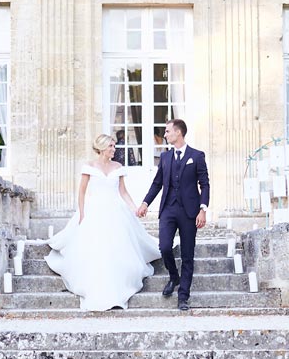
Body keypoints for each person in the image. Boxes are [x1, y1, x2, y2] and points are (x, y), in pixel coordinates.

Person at [46, 134, 161, 311]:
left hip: (116, 210)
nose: (114, 149)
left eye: (114, 146)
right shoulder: (89, 167)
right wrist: (83, 214)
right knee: (97, 248)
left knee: (116, 247)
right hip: (95, 210)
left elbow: (123, 192)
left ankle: (118, 285)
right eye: (111, 147)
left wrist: (135, 208)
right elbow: (82, 193)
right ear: (101, 148)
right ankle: (97, 287)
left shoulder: (118, 167)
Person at [136, 119, 210, 310]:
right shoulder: (165, 157)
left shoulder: (197, 156)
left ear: (178, 133)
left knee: (187, 255)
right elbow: (157, 183)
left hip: (190, 212)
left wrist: (203, 209)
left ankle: (183, 296)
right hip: (168, 209)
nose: (165, 134)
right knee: (165, 247)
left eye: (168, 131)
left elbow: (205, 184)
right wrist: (145, 203)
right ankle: (173, 276)